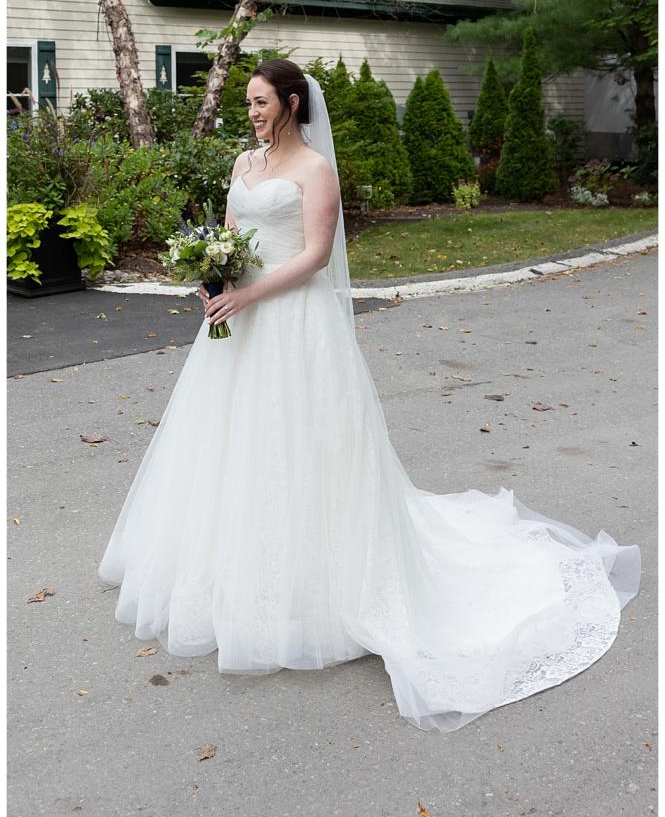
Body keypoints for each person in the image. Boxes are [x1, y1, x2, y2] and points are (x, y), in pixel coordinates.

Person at [98, 58, 641, 733]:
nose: (252, 112)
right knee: (233, 444)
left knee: (306, 445)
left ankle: (323, 581)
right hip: (240, 322)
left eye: (261, 101)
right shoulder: (244, 163)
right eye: (247, 102)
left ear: (292, 103)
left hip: (294, 322)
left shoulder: (313, 170)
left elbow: (315, 256)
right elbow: (237, 236)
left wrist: (250, 291)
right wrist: (214, 277)